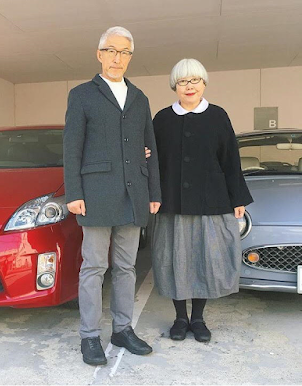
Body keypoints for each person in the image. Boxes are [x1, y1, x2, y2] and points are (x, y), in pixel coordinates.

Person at [63, 26, 161, 366]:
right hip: (95, 194)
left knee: (126, 267)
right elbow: (72, 148)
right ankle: (89, 336)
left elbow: (151, 146)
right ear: (99, 54)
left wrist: (154, 192)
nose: (117, 58)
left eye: (124, 52)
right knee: (94, 267)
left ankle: (122, 329)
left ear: (130, 57)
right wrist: (73, 193)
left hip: (134, 194)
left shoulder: (140, 97)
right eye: (111, 50)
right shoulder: (81, 94)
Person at [151, 58, 253, 343]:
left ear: (204, 83)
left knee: (203, 260)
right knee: (175, 260)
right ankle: (180, 318)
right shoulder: (162, 119)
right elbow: (152, 161)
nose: (189, 86)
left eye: (194, 80)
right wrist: (152, 194)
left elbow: (230, 159)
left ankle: (198, 318)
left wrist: (237, 197)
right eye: (183, 81)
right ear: (175, 86)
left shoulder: (218, 116)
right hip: (172, 202)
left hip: (211, 201)